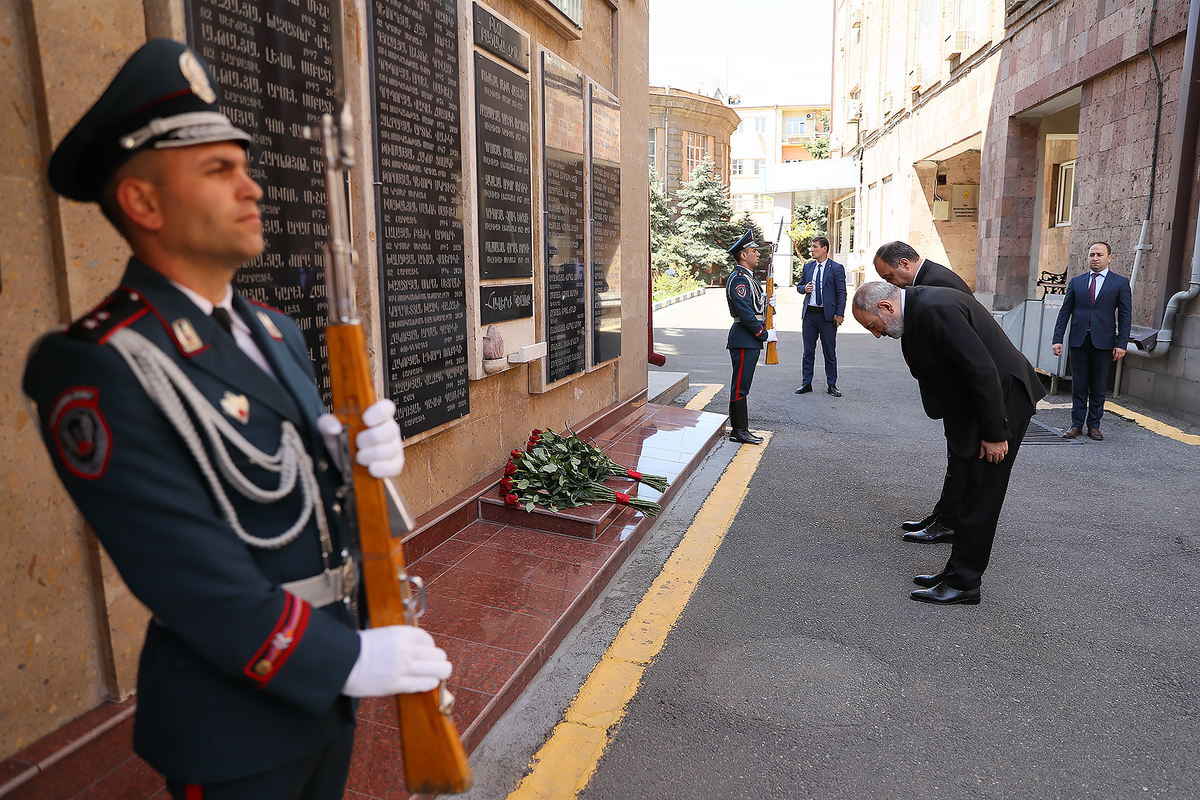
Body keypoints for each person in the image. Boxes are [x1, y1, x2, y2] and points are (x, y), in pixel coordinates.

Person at [22, 40, 451, 799]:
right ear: (144, 203)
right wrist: (344, 660)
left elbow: (298, 501)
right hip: (236, 717)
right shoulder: (99, 363)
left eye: (244, 165)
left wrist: (358, 465)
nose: (252, 187)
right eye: (219, 169)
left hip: (329, 689)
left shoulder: (274, 331)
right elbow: (184, 572)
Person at [852, 281, 1045, 605]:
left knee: (981, 498)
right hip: (984, 407)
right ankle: (955, 571)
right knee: (971, 494)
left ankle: (964, 582)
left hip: (1002, 406)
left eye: (873, 325)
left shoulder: (933, 309)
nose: (876, 334)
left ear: (886, 307)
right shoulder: (920, 309)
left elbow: (981, 369)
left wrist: (995, 434)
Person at [873, 241, 971, 544]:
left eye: (889, 277)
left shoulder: (938, 284)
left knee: (960, 458)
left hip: (960, 389)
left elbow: (961, 347)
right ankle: (943, 515)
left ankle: (949, 523)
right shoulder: (928, 279)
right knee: (956, 457)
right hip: (952, 388)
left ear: (904, 264)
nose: (891, 285)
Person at [1051, 242, 1133, 441]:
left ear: (1109, 258)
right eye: (1092, 254)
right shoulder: (1077, 282)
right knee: (1078, 384)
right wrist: (1057, 339)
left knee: (1098, 385)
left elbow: (1125, 316)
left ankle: (1094, 426)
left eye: (1099, 255)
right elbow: (1065, 312)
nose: (1095, 258)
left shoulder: (1120, 283)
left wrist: (1121, 343)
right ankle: (1076, 424)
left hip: (1104, 342)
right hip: (1079, 340)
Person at [725, 230, 775, 444]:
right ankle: (738, 431)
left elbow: (755, 307)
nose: (758, 254)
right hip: (744, 338)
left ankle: (742, 429)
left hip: (749, 339)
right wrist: (763, 334)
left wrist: (769, 305)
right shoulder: (739, 279)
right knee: (740, 386)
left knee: (743, 385)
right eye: (754, 251)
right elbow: (745, 314)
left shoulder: (749, 278)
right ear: (743, 255)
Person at [795, 236, 847, 397]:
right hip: (810, 315)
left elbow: (841, 293)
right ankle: (806, 383)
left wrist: (839, 314)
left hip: (827, 317)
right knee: (808, 351)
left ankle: (832, 385)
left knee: (829, 352)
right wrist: (804, 288)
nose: (812, 249)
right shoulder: (808, 267)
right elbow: (799, 286)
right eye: (812, 246)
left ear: (824, 249)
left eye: (815, 246)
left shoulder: (836, 268)